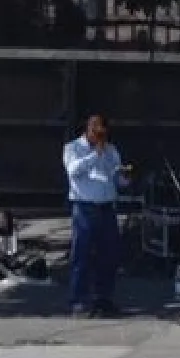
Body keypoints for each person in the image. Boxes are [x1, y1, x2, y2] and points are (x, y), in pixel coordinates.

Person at [63, 114, 124, 316]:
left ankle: (104, 299)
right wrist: (95, 154)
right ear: (88, 130)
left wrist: (124, 178)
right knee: (82, 255)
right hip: (85, 208)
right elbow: (73, 171)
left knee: (108, 256)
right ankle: (78, 300)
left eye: (103, 134)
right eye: (97, 133)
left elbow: (115, 177)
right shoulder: (73, 148)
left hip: (107, 208)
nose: (100, 137)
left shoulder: (111, 150)